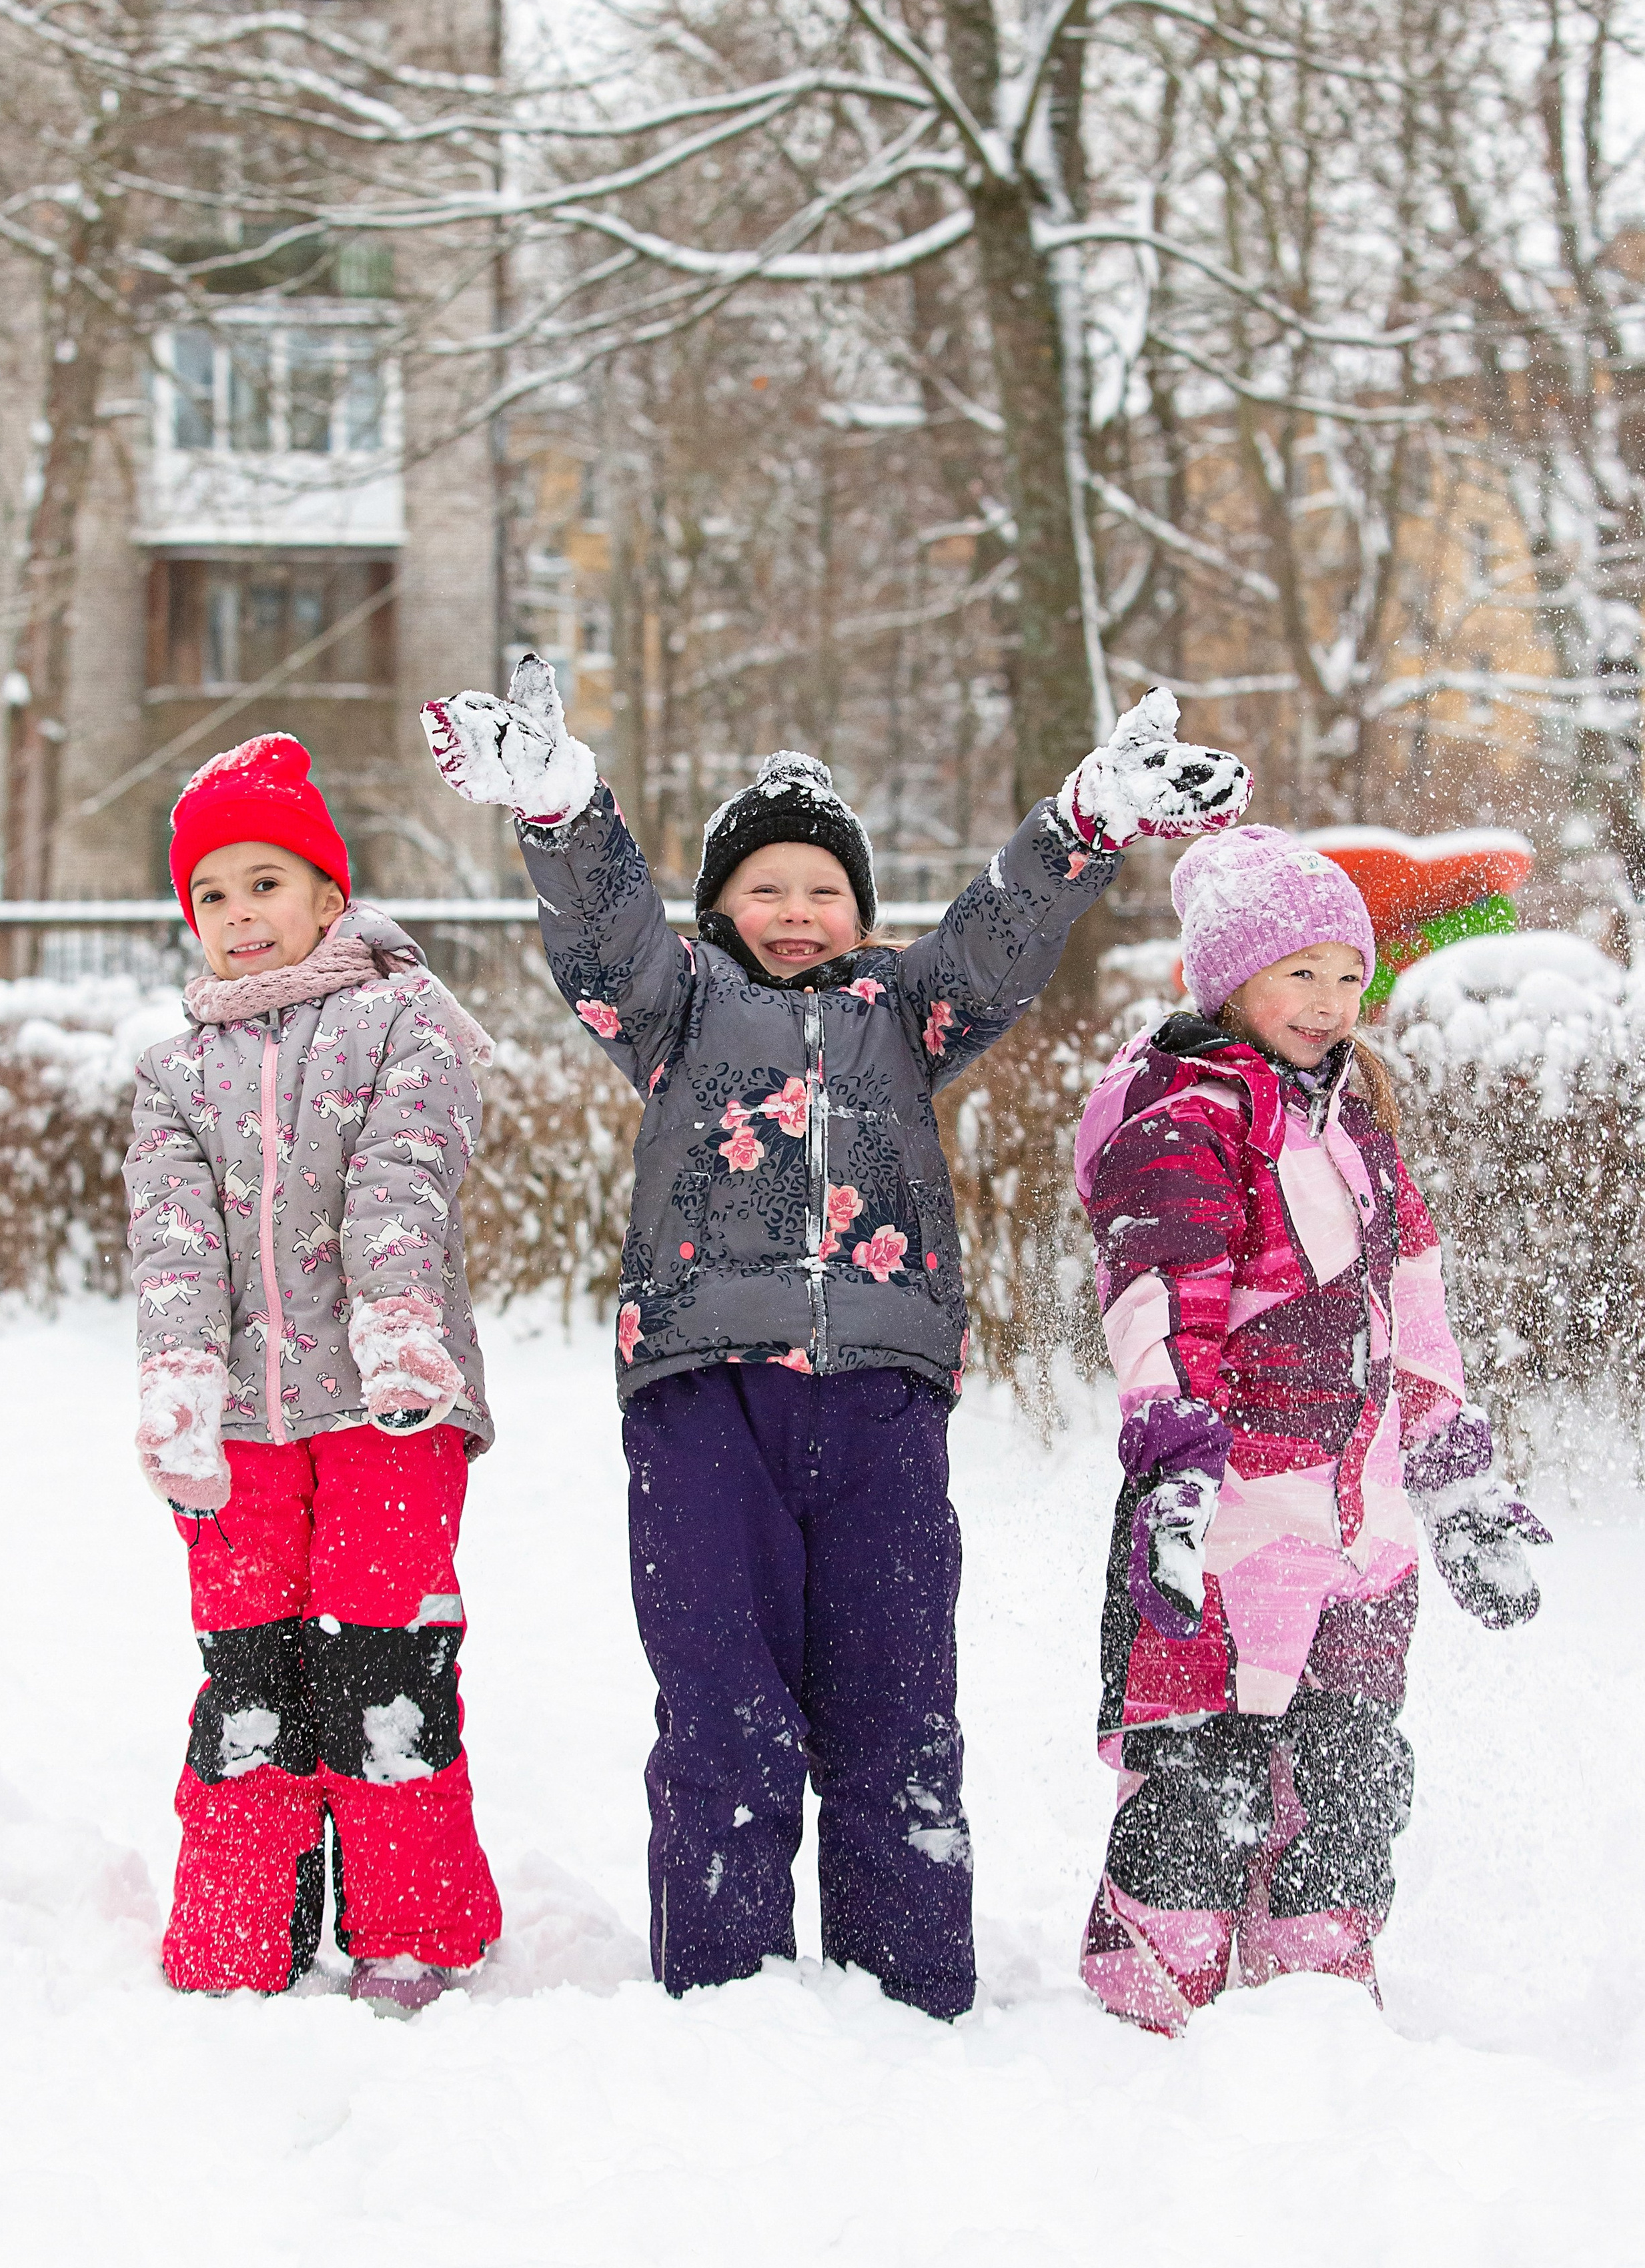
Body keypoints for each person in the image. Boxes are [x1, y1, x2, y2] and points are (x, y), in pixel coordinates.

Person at [422, 660, 1251, 2018]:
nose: (796, 912)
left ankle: (910, 1987)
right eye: (765, 890)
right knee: (723, 1708)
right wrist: (563, 809)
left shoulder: (902, 1018)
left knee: (896, 1708)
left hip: (880, 1404)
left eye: (823, 891)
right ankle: (724, 1987)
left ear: (861, 915)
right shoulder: (676, 1011)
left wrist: (1085, 818)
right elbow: (605, 937)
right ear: (719, 912)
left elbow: (995, 937)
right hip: (704, 1402)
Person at [1073, 821, 1551, 2034]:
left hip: (1361, 1527)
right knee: (1200, 1771)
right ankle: (1151, 1999)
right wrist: (1174, 1476)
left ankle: (1320, 1994)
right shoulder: (1184, 1114)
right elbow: (1164, 1303)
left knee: (1351, 1772)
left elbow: (1418, 1313)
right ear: (1226, 978)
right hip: (1224, 1525)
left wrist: (1456, 1483)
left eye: (1351, 975)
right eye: (1302, 974)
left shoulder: (1355, 1118)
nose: (1334, 1000)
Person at [126, 733, 502, 2012]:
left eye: (265, 884)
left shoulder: (407, 1020)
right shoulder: (172, 1070)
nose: (239, 916)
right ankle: (241, 1943)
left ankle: (409, 1935)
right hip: (239, 1429)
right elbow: (172, 1240)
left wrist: (402, 1322)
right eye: (211, 895)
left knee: (382, 1666)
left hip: (387, 1411)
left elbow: (409, 1173)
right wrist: (178, 1380)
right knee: (251, 1680)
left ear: (330, 896)